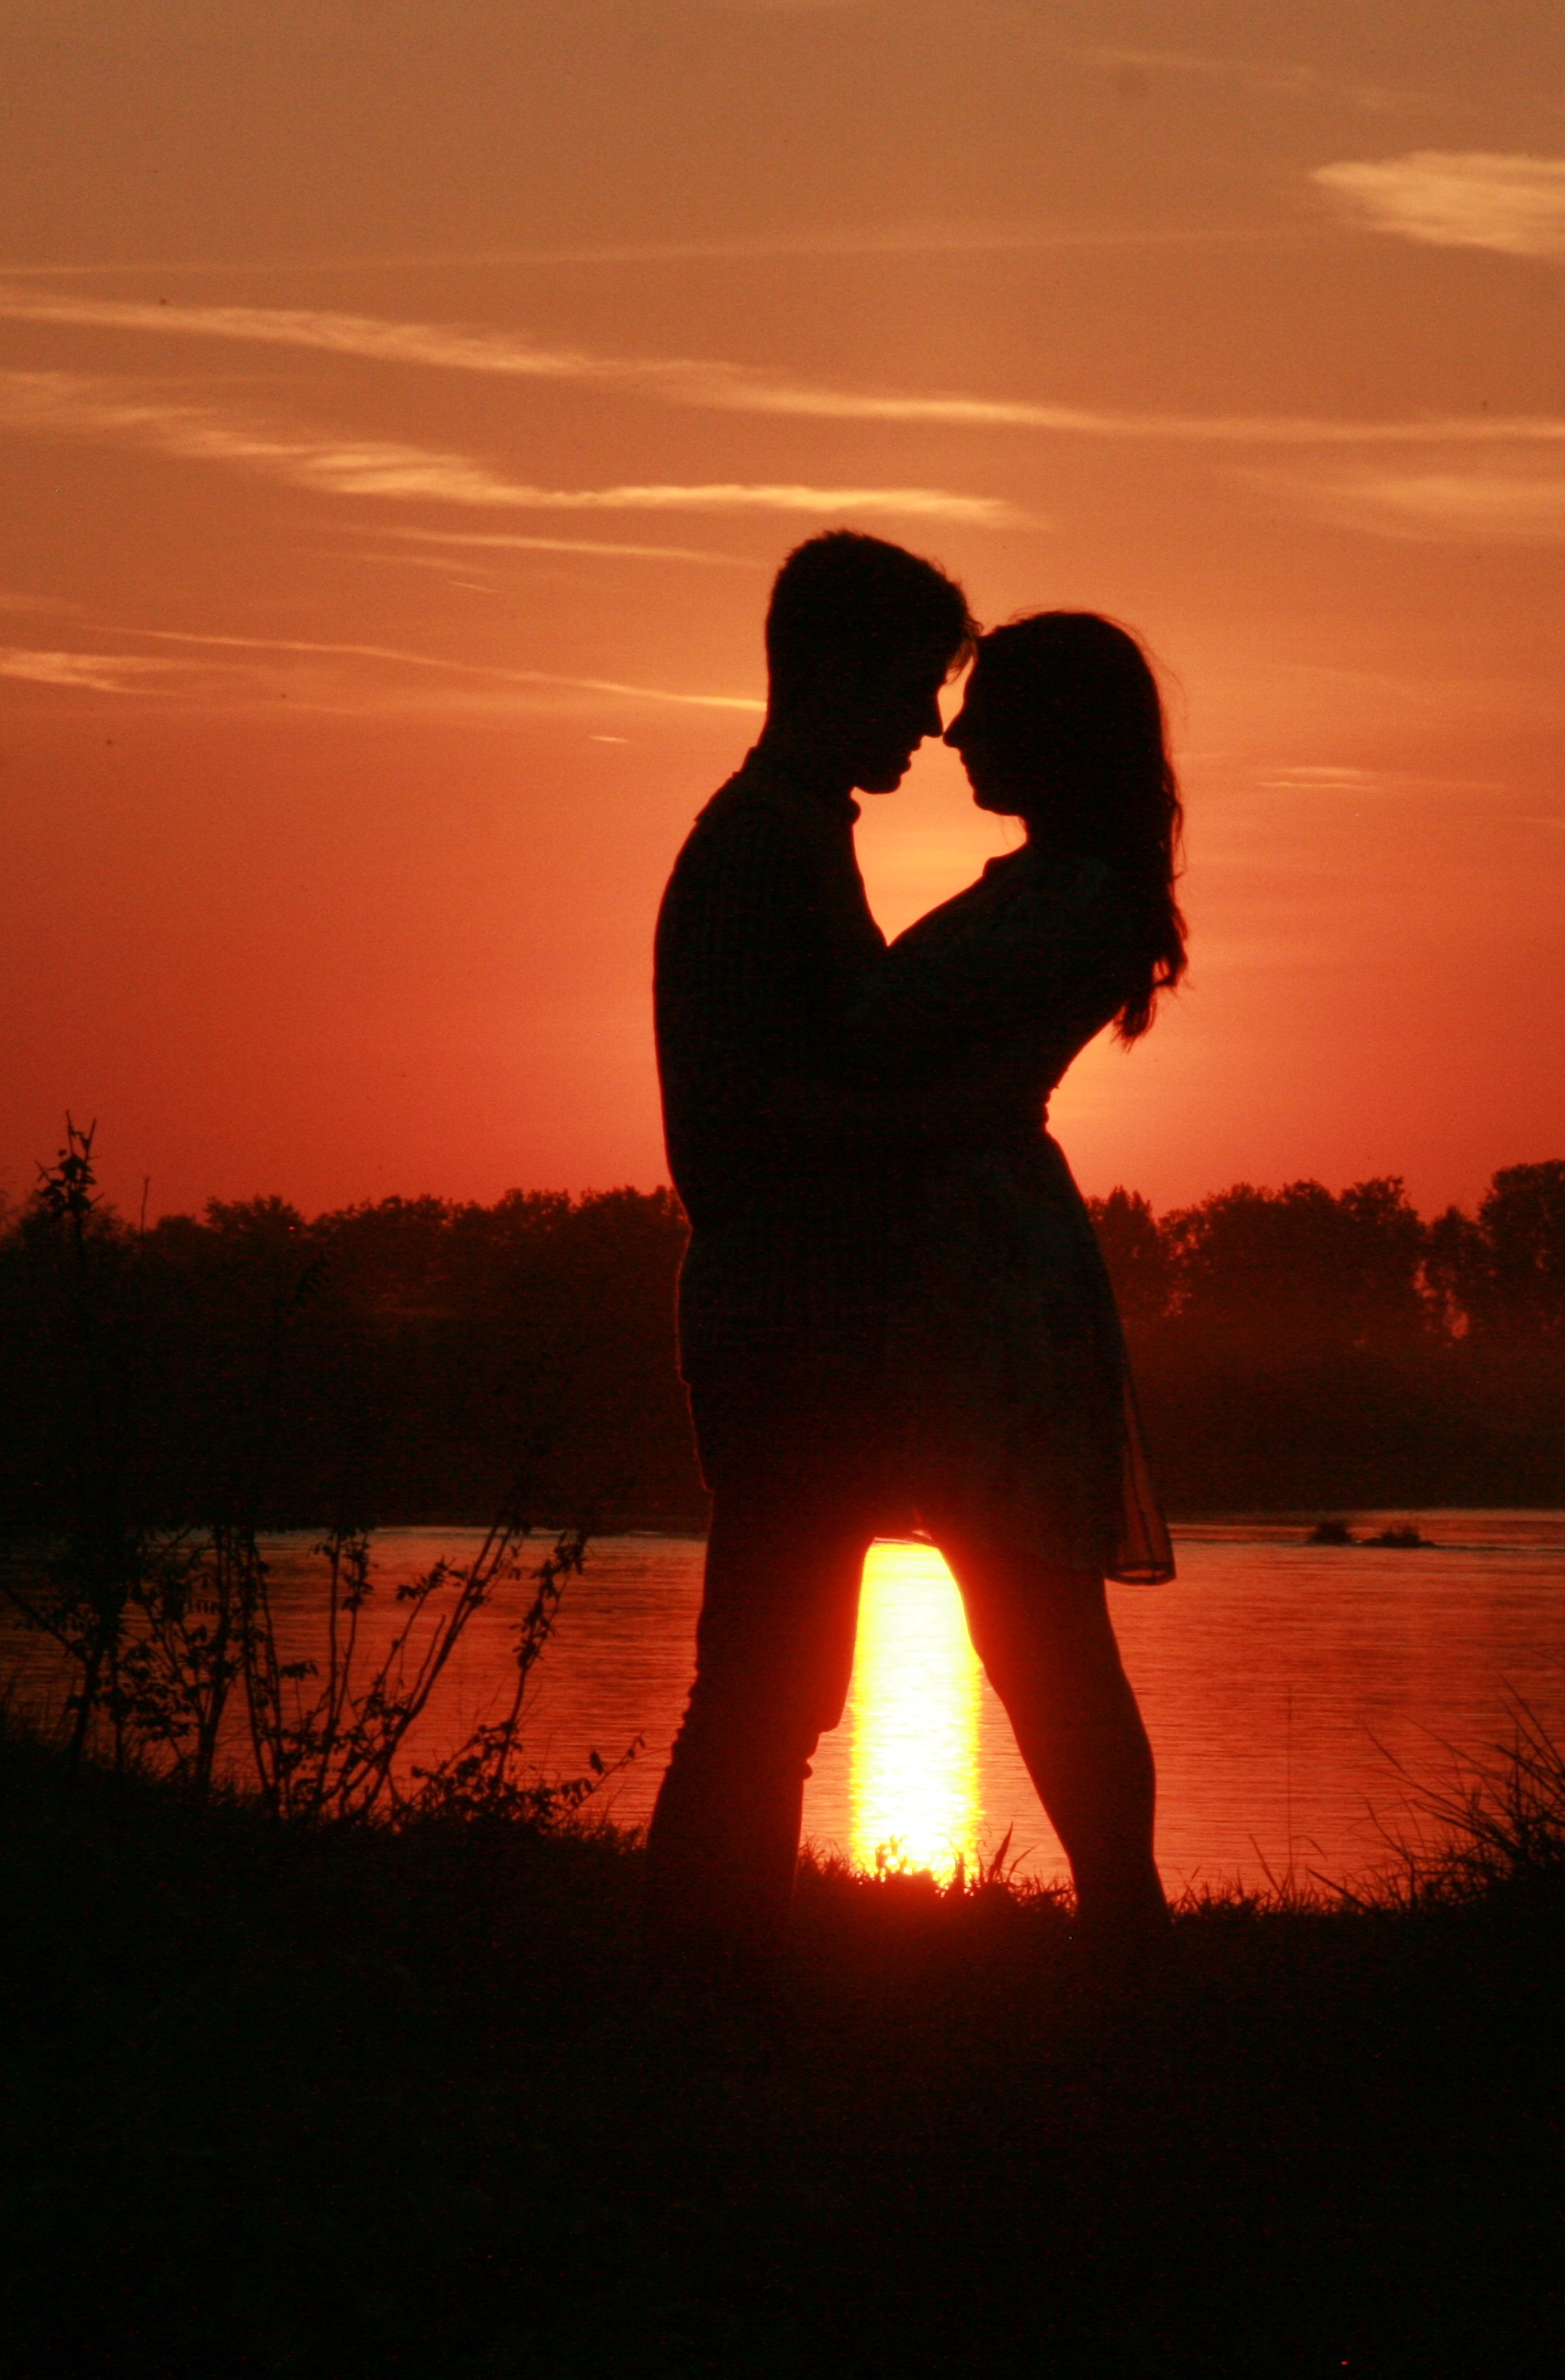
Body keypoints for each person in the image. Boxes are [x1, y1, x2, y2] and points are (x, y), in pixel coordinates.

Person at [644, 530, 974, 1966]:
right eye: (913, 683)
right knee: (761, 1689)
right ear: (833, 669)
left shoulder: (791, 836)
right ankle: (704, 1987)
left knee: (778, 1690)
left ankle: (716, 1976)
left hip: (801, 1320)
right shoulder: (758, 848)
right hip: (781, 1323)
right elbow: (729, 1117)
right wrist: (936, 1119)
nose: (931, 722)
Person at [846, 610, 1184, 1959]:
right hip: (960, 1253)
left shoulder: (1083, 899)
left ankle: (1125, 1917)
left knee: (1037, 1608)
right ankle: (1124, 1923)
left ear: (1057, 731)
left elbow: (935, 1066)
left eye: (988, 708)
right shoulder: (1048, 885)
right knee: (1021, 1607)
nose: (958, 732)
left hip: (989, 1270)